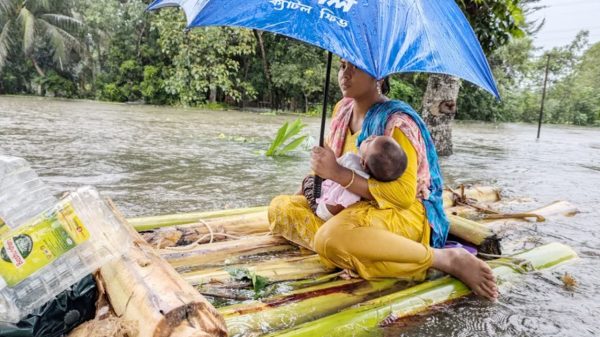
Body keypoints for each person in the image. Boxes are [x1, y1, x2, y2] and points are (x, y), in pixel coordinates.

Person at [269, 59, 498, 300]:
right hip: (347, 206)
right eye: (342, 66)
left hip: (397, 213)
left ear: (378, 76)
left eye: (355, 67)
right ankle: (359, 252)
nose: (344, 75)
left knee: (330, 239)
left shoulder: (397, 123)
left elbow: (402, 196)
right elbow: (325, 171)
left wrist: (339, 174)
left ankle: (442, 259)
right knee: (280, 207)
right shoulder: (342, 111)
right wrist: (304, 193)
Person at [303, 135, 407, 221]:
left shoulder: (351, 160)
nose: (371, 136)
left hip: (323, 210)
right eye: (376, 136)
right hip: (330, 204)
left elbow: (330, 167)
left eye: (370, 142)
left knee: (308, 180)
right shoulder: (369, 181)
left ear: (363, 163)